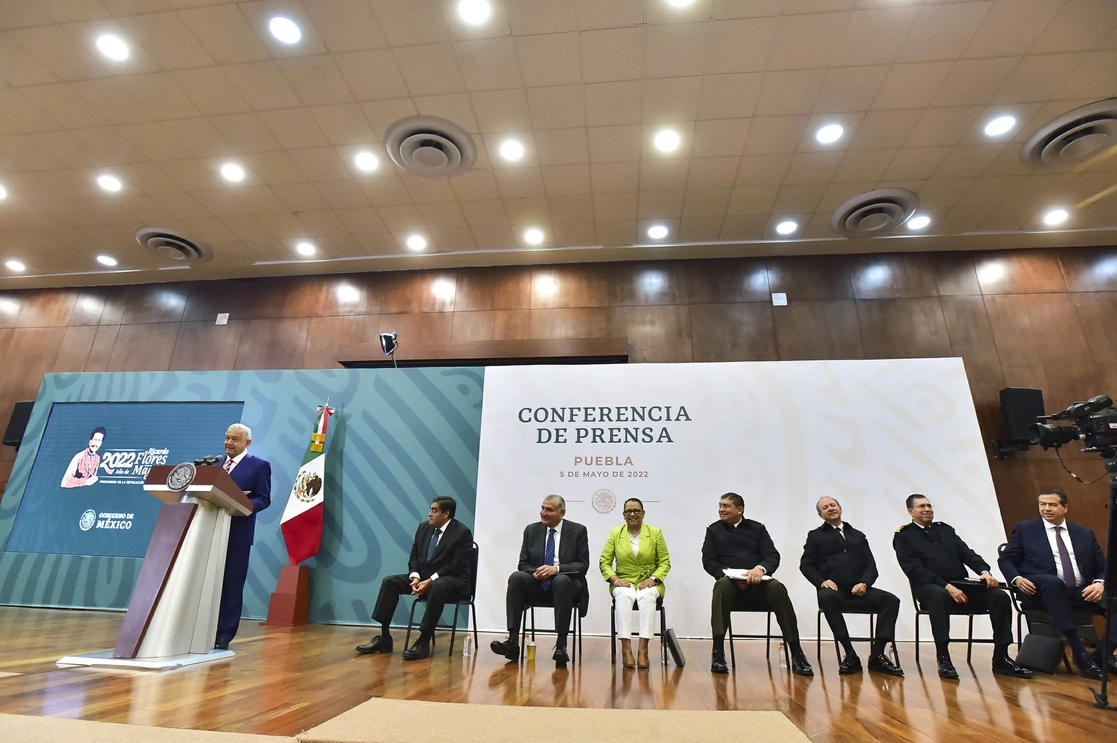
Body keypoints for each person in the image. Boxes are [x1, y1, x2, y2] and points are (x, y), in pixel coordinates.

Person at [893, 493, 1032, 679]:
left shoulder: (945, 530)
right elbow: (915, 570)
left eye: (929, 505)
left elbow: (968, 554)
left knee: (999, 596)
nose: (927, 509)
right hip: (930, 587)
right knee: (938, 595)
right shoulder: (904, 536)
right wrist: (947, 586)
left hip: (961, 585)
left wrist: (984, 571)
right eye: (921, 507)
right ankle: (943, 657)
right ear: (911, 511)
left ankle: (1001, 656)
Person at [998, 487, 1116, 679]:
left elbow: (1101, 566)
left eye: (1052, 504)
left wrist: (1100, 583)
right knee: (1052, 582)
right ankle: (1080, 652)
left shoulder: (1084, 533)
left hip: (1078, 589)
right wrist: (1017, 579)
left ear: (1065, 508)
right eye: (1042, 504)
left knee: (1114, 598)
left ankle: (1102, 655)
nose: (1046, 508)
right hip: (1039, 589)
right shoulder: (1025, 529)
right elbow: (1006, 559)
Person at [701, 492, 813, 676]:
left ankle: (796, 652)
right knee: (721, 586)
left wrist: (760, 569)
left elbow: (772, 555)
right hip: (731, 585)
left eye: (726, 506)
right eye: (720, 505)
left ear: (740, 509)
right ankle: (718, 653)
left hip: (759, 583)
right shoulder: (713, 530)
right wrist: (731, 576)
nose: (721, 509)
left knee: (778, 587)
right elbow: (708, 561)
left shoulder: (757, 529)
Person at [355, 497, 473, 660]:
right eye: (430, 509)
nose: (429, 514)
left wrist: (430, 580)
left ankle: (423, 641)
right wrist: (415, 577)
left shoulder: (461, 533)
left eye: (434, 510)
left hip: (453, 580)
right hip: (425, 578)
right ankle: (384, 636)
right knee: (390, 582)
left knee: (437, 587)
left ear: (446, 514)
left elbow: (457, 565)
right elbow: (414, 556)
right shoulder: (423, 528)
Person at [799, 496, 904, 676]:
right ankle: (850, 654)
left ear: (840, 508)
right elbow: (806, 565)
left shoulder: (858, 535)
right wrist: (822, 581)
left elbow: (871, 566)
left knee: (891, 600)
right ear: (820, 514)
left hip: (859, 589)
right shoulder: (815, 536)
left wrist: (864, 583)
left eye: (833, 505)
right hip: (834, 591)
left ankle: (877, 654)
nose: (830, 508)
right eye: (825, 507)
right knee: (826, 597)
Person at [490, 495, 589, 666]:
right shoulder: (531, 530)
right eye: (542, 508)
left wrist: (555, 570)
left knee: (561, 580)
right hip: (538, 583)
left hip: (567, 586)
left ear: (562, 512)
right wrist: (534, 572)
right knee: (516, 577)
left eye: (549, 510)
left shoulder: (578, 531)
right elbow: (523, 563)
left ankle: (561, 645)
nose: (543, 513)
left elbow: (582, 565)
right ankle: (512, 642)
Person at [215, 423, 272, 650]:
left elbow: (264, 498)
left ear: (247, 443)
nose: (229, 443)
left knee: (231, 586)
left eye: (234, 439)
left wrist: (243, 504)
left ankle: (223, 634)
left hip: (237, 536)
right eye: (227, 438)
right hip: (209, 534)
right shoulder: (215, 464)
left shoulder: (259, 466)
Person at [599, 498, 671, 668]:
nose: (632, 514)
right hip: (624, 581)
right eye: (628, 511)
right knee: (623, 596)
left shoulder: (655, 532)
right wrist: (615, 579)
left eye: (636, 511)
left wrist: (653, 579)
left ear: (643, 513)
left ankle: (643, 649)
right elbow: (604, 562)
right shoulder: (615, 533)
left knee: (647, 597)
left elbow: (664, 562)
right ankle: (626, 648)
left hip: (650, 581)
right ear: (623, 515)